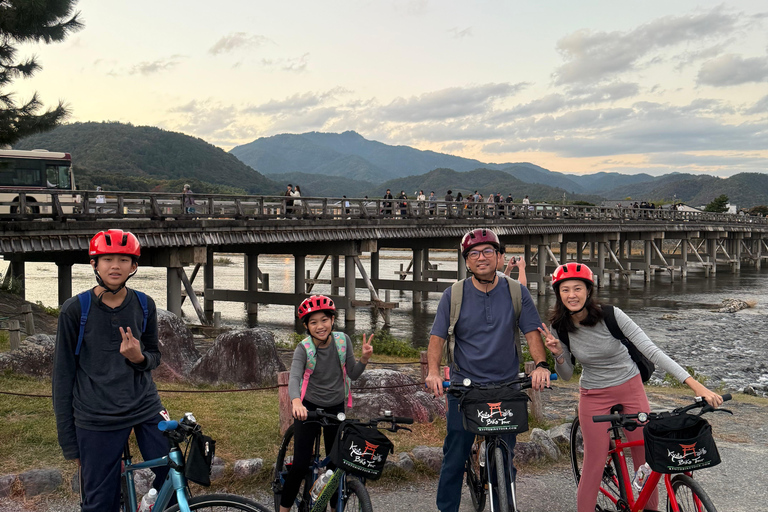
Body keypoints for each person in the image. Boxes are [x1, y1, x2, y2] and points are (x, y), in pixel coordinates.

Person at [538, 262, 723, 512]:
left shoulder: (611, 316)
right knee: (594, 463)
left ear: (588, 291)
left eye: (578, 288)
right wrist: (559, 354)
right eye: (565, 289)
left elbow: (652, 351)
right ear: (558, 294)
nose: (572, 295)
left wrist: (695, 385)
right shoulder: (559, 327)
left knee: (646, 459)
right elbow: (568, 375)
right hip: (593, 394)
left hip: (630, 387)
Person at [425, 228, 551, 512]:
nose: (481, 258)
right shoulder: (453, 295)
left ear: (499, 256)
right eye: (473, 254)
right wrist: (433, 372)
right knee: (455, 455)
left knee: (506, 458)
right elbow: (437, 338)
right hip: (464, 387)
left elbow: (532, 334)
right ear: (466, 261)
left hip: (506, 386)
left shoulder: (517, 292)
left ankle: (507, 504)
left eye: (487, 252)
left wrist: (541, 365)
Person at [53, 229, 170, 512]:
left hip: (144, 405)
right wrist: (70, 443)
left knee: (174, 471)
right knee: (100, 502)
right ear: (94, 264)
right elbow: (62, 377)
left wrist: (138, 358)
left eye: (122, 259)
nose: (114, 266)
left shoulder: (144, 304)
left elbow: (154, 356)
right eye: (106, 259)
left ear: (134, 266)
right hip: (96, 415)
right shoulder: (75, 310)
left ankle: (150, 503)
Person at [280, 295, 373, 512]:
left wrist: (364, 359)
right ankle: (283, 510)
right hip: (308, 408)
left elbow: (353, 374)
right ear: (306, 326)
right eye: (313, 322)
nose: (320, 326)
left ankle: (333, 508)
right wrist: (296, 402)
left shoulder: (343, 341)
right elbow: (294, 378)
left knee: (334, 464)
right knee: (301, 465)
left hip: (335, 407)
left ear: (332, 320)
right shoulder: (303, 348)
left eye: (324, 320)